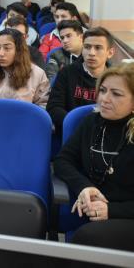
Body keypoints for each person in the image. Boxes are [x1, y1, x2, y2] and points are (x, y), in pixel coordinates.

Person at [54, 63, 134, 252]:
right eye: (103, 90)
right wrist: (84, 185)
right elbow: (63, 160)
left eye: (116, 94)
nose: (104, 99)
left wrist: (112, 211)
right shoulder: (91, 121)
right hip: (93, 214)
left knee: (87, 238)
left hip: (128, 216)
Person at [47, 27, 115, 137]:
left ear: (110, 53)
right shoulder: (66, 73)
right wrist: (78, 125)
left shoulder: (116, 79)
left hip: (105, 134)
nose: (91, 53)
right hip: (72, 133)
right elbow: (53, 108)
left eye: (98, 48)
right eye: (87, 47)